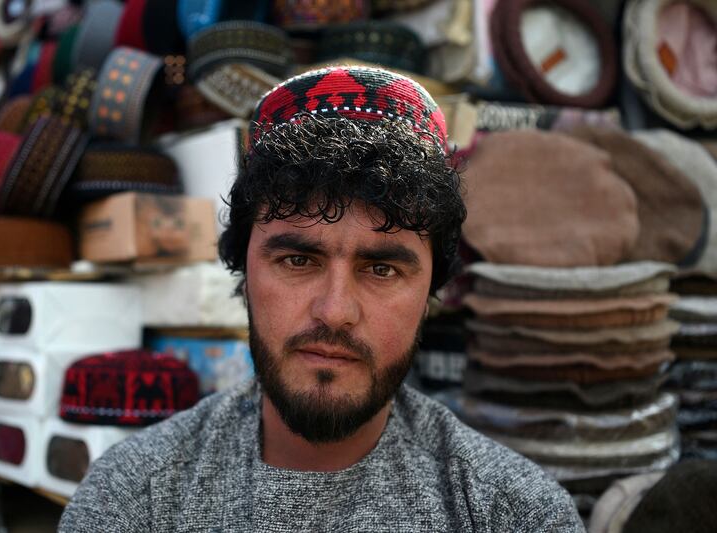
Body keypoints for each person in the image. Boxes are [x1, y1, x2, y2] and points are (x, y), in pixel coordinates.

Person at [59, 66, 585, 532]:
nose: (334, 311)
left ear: (431, 290)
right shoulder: (133, 499)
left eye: (381, 268)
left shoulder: (512, 512)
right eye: (298, 261)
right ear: (245, 270)